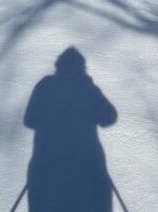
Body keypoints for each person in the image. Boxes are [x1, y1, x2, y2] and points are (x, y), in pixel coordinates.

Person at [24, 47, 117, 212]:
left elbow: (29, 120)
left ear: (58, 66)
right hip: (88, 169)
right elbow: (109, 117)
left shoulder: (45, 87)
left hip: (47, 168)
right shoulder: (87, 89)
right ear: (82, 68)